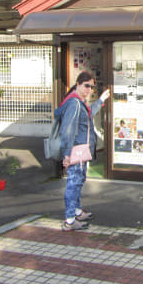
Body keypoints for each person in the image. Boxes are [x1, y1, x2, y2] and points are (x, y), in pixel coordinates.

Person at [58, 71, 110, 231]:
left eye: (92, 87)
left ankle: (77, 211)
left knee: (78, 181)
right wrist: (67, 154)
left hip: (81, 149)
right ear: (78, 84)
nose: (89, 90)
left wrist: (101, 100)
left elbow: (88, 116)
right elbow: (67, 131)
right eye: (86, 86)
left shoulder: (79, 102)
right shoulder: (74, 103)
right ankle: (69, 220)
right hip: (76, 150)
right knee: (73, 183)